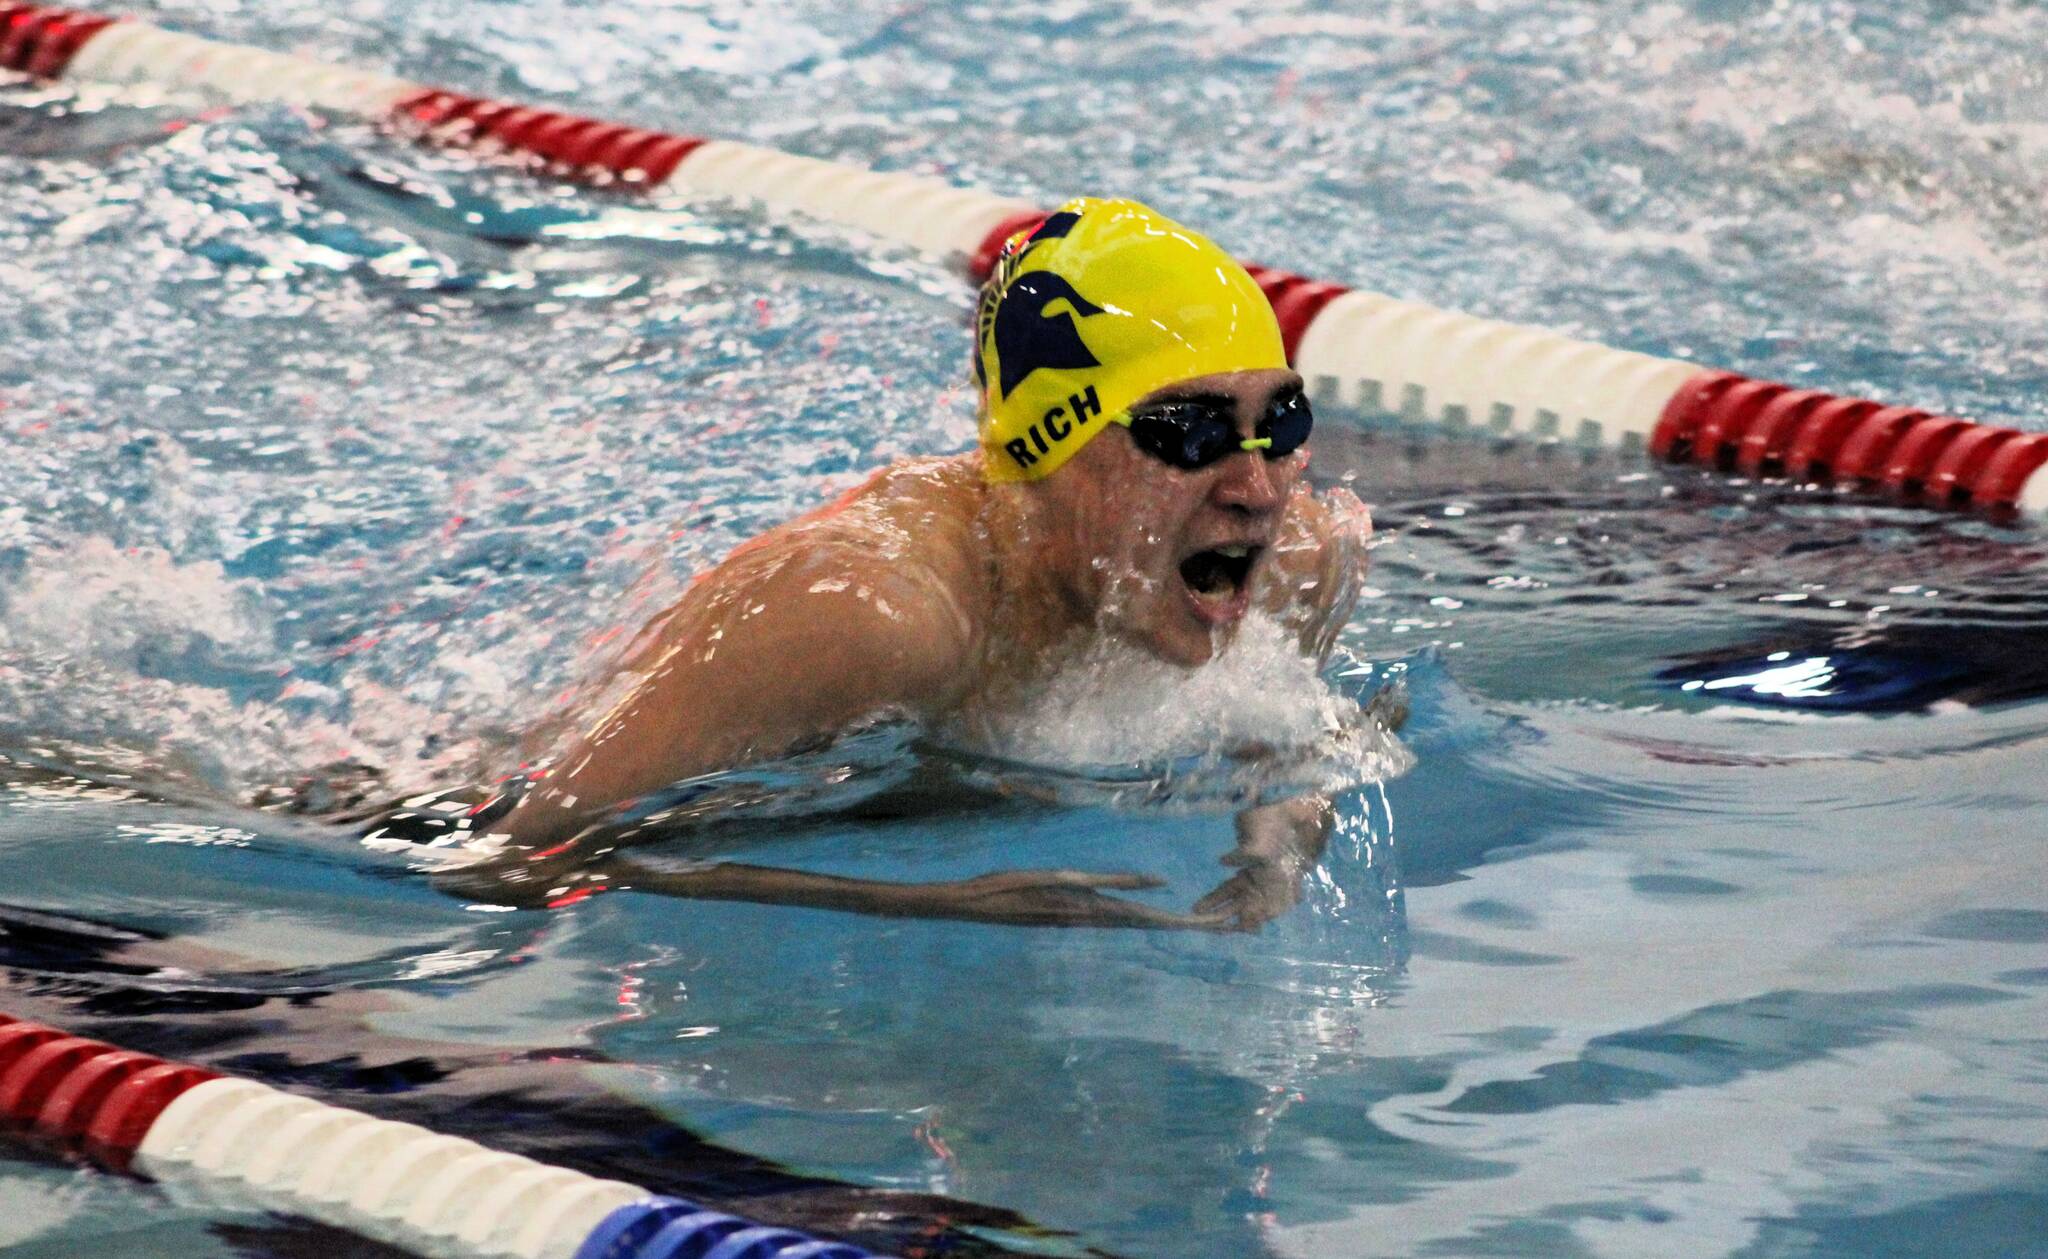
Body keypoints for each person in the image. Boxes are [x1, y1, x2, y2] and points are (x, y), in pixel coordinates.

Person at [373, 197, 1382, 930]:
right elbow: (499, 854)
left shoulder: (1295, 563)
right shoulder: (865, 612)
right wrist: (918, 901)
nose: (1255, 486)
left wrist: (1273, 856)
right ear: (1050, 450)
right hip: (405, 803)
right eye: (1189, 430)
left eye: (1278, 420)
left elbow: (1288, 740)